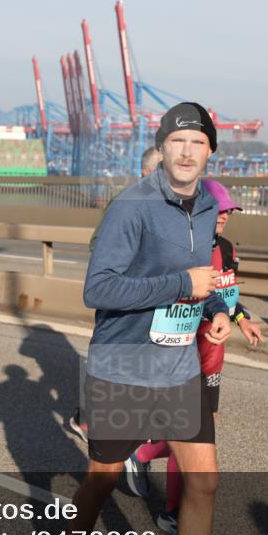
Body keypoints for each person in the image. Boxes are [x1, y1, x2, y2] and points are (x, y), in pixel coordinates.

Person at [52, 102, 234, 535]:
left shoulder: (204, 208)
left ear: (210, 153)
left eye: (198, 143)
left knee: (204, 483)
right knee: (103, 478)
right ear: (162, 148)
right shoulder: (130, 207)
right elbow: (98, 289)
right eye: (178, 141)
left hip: (177, 365)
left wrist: (216, 312)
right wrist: (184, 286)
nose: (187, 151)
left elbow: (201, 281)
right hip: (125, 363)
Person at [124, 180, 264, 535]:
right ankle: (171, 511)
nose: (227, 214)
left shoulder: (229, 250)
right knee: (189, 430)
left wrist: (241, 320)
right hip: (181, 350)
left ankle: (141, 455)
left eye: (231, 209)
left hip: (213, 353)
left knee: (200, 429)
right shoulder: (182, 247)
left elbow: (227, 297)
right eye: (221, 209)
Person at [71, 146, 166, 440]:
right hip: (123, 295)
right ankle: (88, 420)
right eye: (163, 169)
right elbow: (98, 245)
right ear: (146, 173)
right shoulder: (126, 203)